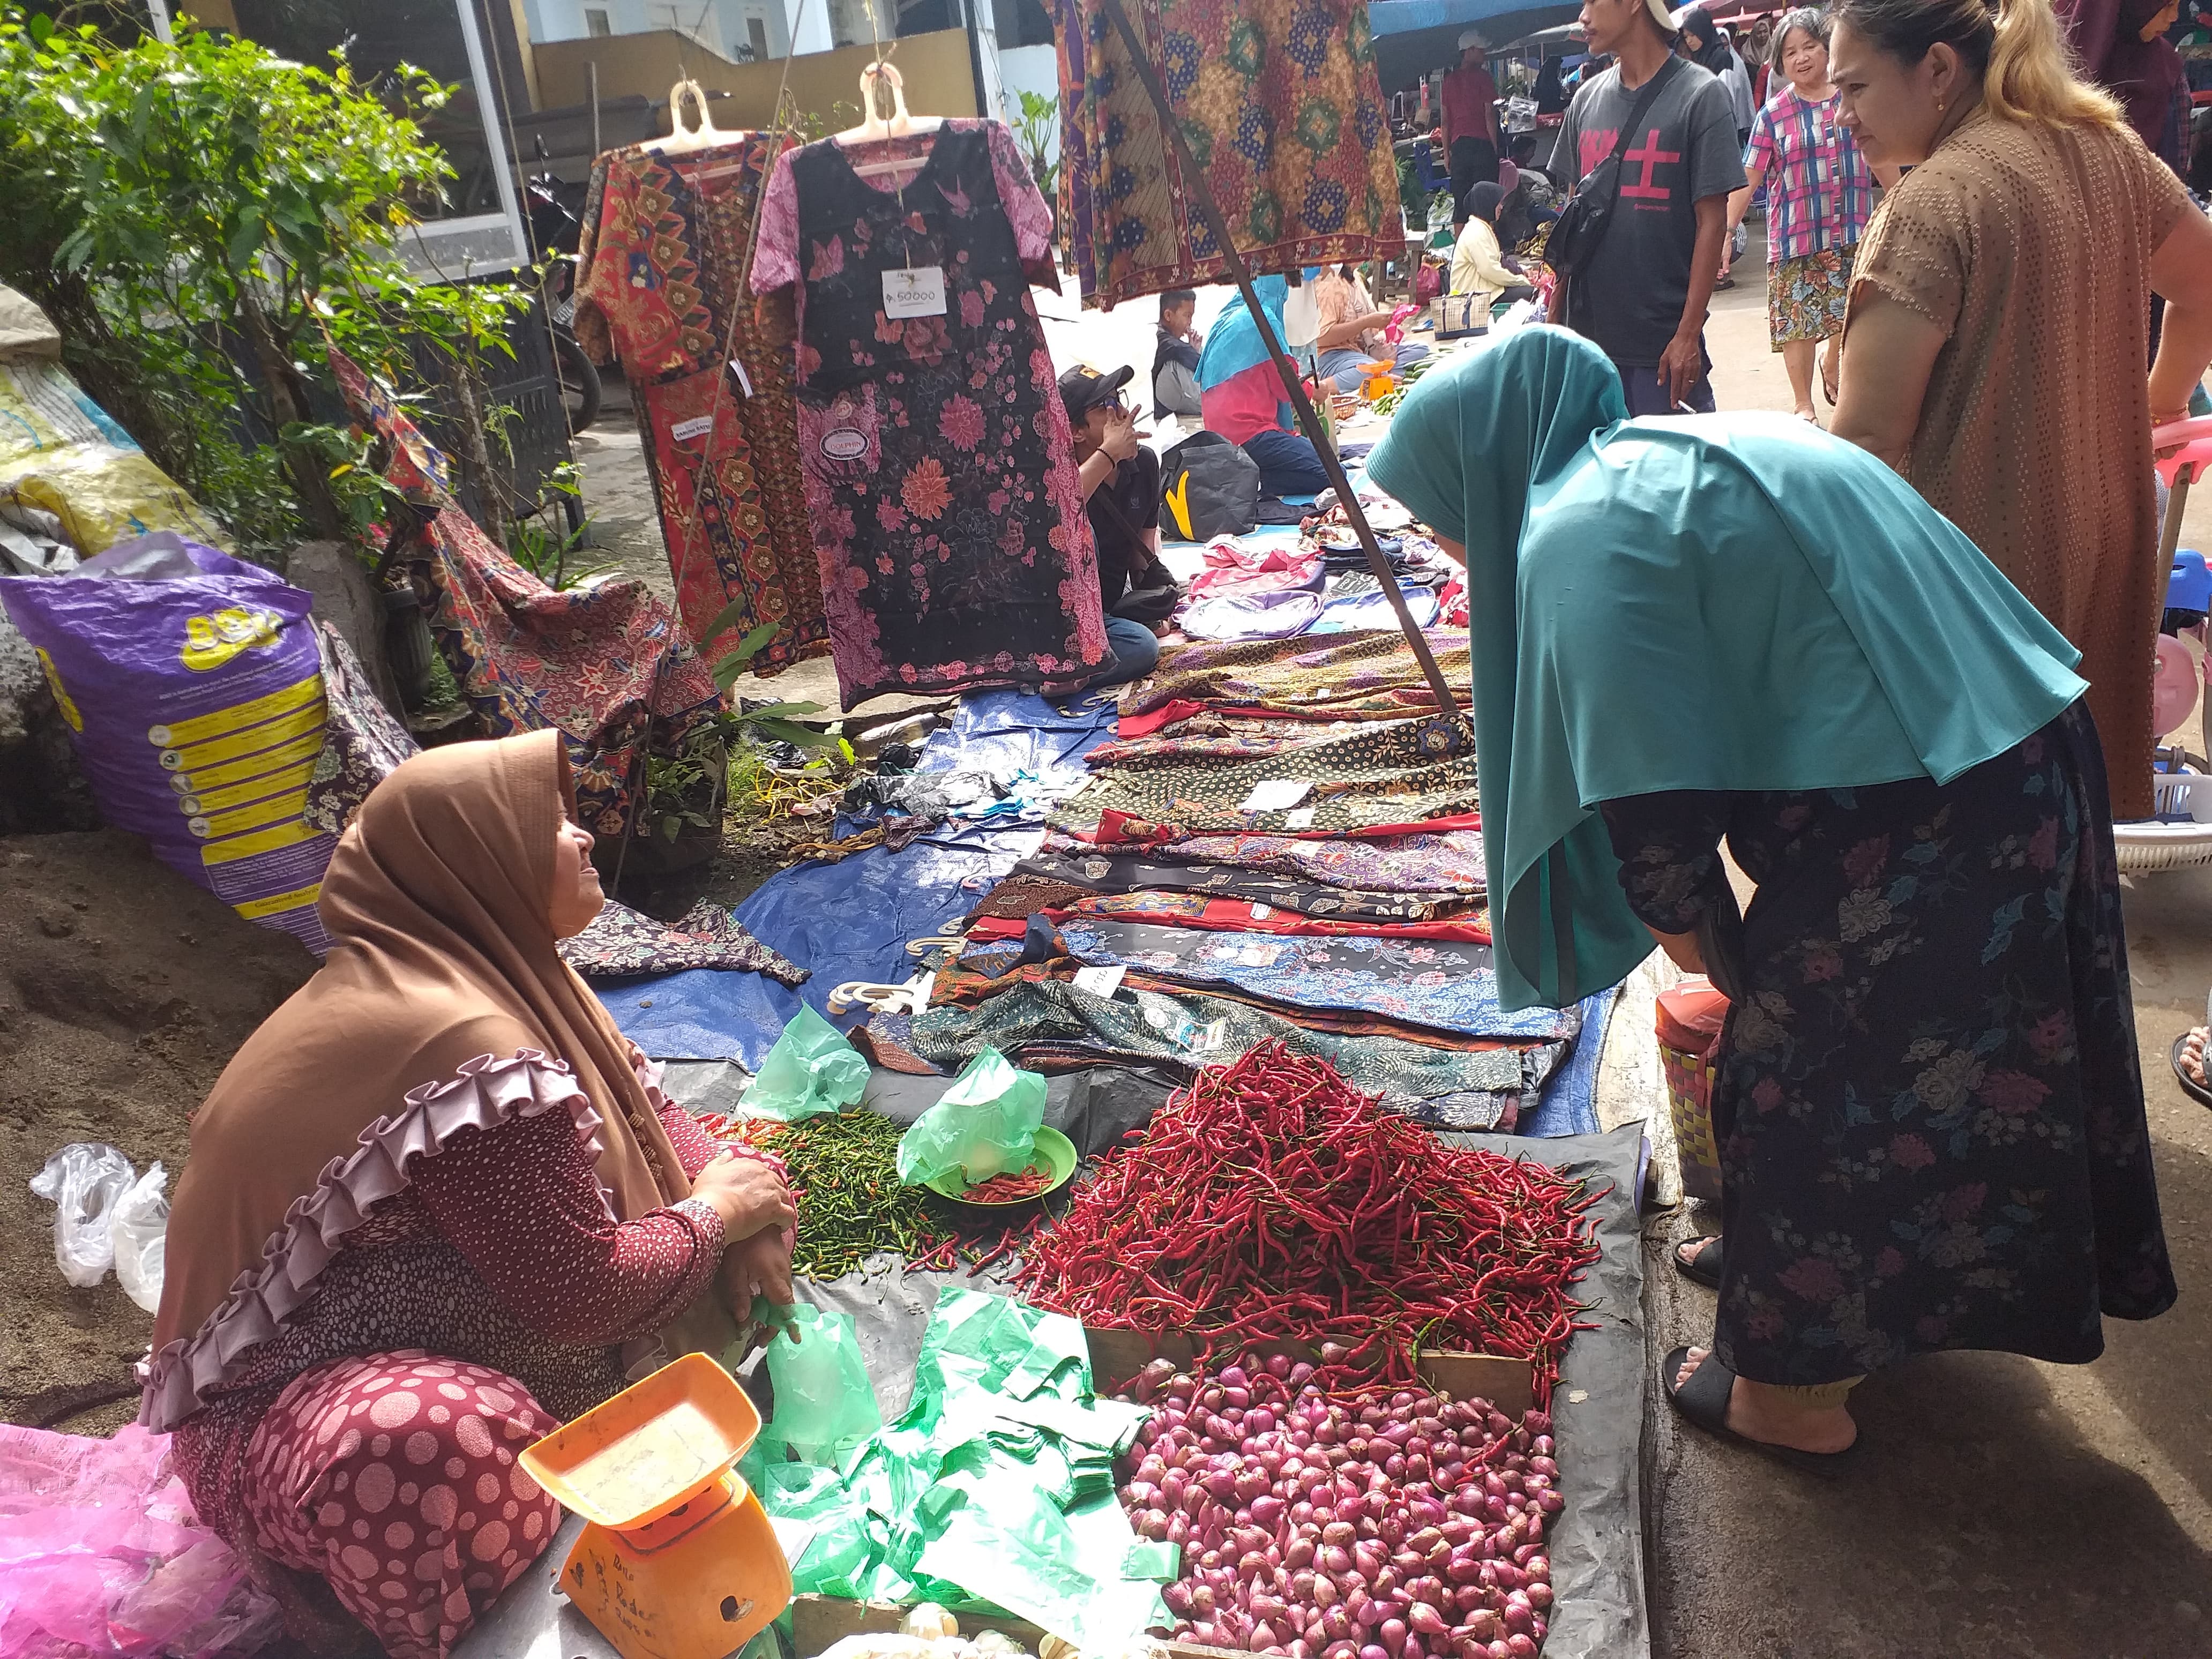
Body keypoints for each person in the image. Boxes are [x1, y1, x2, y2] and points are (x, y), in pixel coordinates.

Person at [1364, 325, 2175, 1463]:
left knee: (1813, 1075)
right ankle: (1814, 1281)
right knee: (1897, 1067)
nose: (1443, 541)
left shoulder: (1575, 530)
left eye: (1430, 508)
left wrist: (1712, 949)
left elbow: (1655, 820)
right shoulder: (1656, 456)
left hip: (1936, 799)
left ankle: (1794, 1396)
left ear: (1481, 464)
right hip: (2001, 743)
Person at [144, 731, 800, 1657]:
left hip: (436, 1326)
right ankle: (475, 1631)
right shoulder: (456, 1039)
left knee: (702, 1252)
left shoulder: (502, 973)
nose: (582, 838)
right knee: (419, 1448)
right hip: (288, 1417)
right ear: (473, 866)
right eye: (548, 826)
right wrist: (719, 1214)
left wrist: (754, 1202)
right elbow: (583, 1293)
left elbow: (653, 1116)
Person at [1828, 0, 2212, 821]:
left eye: (1855, 87)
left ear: (1936, 70)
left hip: (1977, 599)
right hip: (2105, 552)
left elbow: (1861, 448)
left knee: (1984, 858)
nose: (1842, 114)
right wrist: (2159, 400)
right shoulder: (2108, 151)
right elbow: (2205, 284)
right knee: (2073, 830)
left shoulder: (1933, 203)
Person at [1550, 0, 1746, 414]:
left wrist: (1688, 335)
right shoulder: (1585, 101)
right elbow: (1574, 222)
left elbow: (1711, 223)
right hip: (1589, 346)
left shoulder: (1701, 95)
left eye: (1592, 2)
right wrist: (1554, 326)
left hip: (1662, 349)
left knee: (1675, 475)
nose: (1583, 17)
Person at [1724, 9, 1874, 422]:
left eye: (1810, 46)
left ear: (1828, 49)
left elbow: (1880, 154)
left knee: (1853, 314)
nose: (1803, 57)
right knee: (1798, 322)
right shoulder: (1773, 114)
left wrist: (1902, 200)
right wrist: (1726, 230)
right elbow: (1749, 175)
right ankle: (1803, 403)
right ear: (1779, 62)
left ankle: (1834, 361)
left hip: (1853, 229)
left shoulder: (1853, 98)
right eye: (1791, 52)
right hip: (1796, 234)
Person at [1059, 362, 1175, 684]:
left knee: (1142, 645)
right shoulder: (1056, 476)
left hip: (1105, 615)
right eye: (1104, 408)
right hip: (1061, 618)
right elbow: (1062, 508)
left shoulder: (1145, 463)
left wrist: (1151, 605)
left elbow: (1143, 550)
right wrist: (1108, 454)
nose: (1122, 414)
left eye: (1118, 399)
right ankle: (1048, 669)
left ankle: (1063, 670)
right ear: (1075, 431)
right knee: (1087, 533)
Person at [1198, 274, 1330, 497]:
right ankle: (1255, 483)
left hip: (1219, 436)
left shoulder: (1227, 316)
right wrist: (1313, 390)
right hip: (1250, 433)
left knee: (1306, 460)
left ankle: (1251, 477)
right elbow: (1287, 388)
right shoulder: (1263, 320)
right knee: (1333, 472)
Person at [2059, 0, 2191, 170]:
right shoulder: (2055, 63)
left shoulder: (2168, 67)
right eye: (2168, 5)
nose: (2174, 17)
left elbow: (2177, 168)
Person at [1310, 263, 1430, 391]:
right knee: (1369, 370)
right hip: (1332, 356)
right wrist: (1366, 322)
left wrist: (1391, 320)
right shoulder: (1329, 283)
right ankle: (1319, 389)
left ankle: (1379, 378)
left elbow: (1370, 324)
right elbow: (1322, 337)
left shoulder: (1355, 277)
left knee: (1421, 350)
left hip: (1362, 353)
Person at [1449, 182, 1539, 308]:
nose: (1501, 207)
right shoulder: (1476, 231)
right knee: (1533, 293)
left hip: (1485, 290)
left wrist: (1521, 272)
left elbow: (1497, 261)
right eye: (1498, 203)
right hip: (1473, 297)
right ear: (1487, 204)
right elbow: (1490, 270)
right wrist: (1520, 281)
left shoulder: (1482, 227)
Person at [1442, 31, 1502, 208]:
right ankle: (1486, 235)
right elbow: (1489, 115)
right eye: (1480, 50)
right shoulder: (1484, 78)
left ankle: (1462, 237)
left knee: (1461, 204)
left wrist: (1447, 154)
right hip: (1482, 145)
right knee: (1486, 203)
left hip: (1459, 148)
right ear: (1470, 51)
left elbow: (1445, 122)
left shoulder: (1448, 81)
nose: (1484, 54)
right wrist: (1495, 147)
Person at [1153, 288, 1204, 420]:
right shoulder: (1172, 347)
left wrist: (1194, 349)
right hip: (1165, 416)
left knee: (1199, 350)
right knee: (1178, 361)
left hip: (1172, 408)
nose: (1190, 323)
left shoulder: (1166, 340)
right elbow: (1197, 362)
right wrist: (1192, 351)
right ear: (1168, 315)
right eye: (1187, 316)